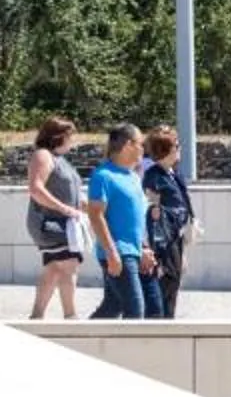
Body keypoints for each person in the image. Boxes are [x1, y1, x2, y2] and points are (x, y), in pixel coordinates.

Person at [83, 122, 157, 321]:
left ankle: (83, 338)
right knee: (135, 310)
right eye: (140, 144)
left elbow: (135, 218)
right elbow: (95, 215)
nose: (143, 149)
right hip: (119, 253)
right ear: (128, 145)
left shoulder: (133, 177)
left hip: (131, 252)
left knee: (111, 307)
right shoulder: (103, 176)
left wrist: (143, 248)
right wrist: (111, 253)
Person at [23, 115, 84, 320]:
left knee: (54, 267)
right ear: (59, 136)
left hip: (63, 222)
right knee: (69, 263)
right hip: (50, 222)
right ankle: (70, 315)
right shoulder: (43, 155)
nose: (73, 140)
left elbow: (72, 193)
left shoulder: (61, 160)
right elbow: (36, 188)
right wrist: (64, 209)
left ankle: (37, 315)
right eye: (70, 136)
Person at [140, 127, 196, 320]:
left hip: (175, 239)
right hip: (162, 243)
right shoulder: (154, 177)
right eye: (176, 146)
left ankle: (167, 321)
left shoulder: (173, 174)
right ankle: (159, 324)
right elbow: (151, 212)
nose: (180, 149)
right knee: (165, 284)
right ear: (165, 150)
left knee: (173, 283)